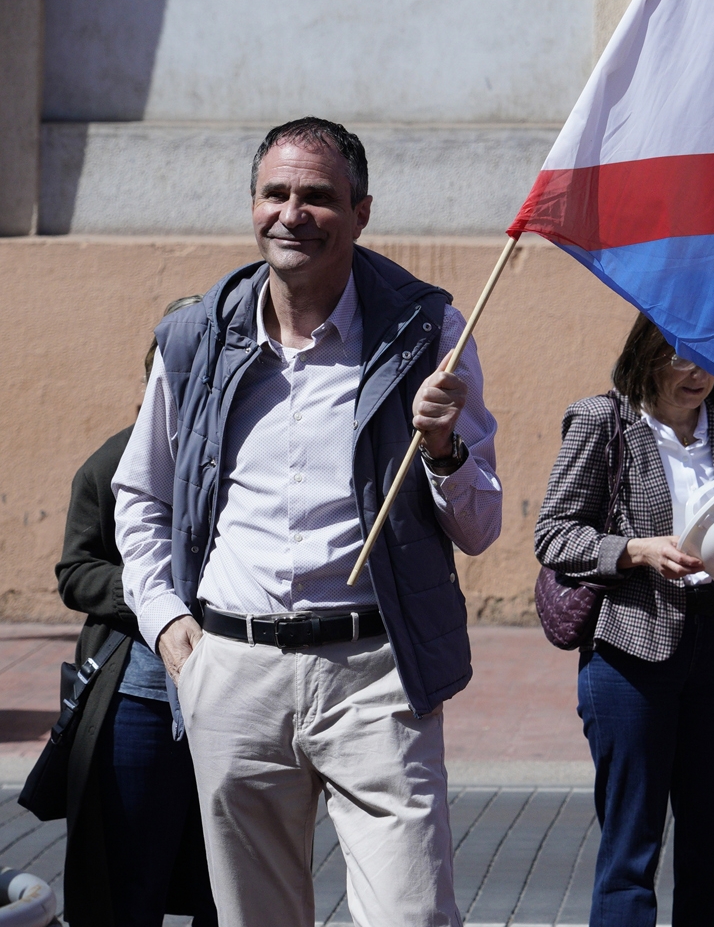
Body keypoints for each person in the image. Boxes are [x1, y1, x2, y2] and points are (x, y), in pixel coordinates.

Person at [112, 116, 502, 927]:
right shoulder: (195, 338)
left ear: (361, 212)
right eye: (275, 193)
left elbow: (480, 525)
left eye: (318, 197)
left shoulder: (426, 332)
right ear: (252, 205)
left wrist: (440, 447)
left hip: (374, 673)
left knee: (413, 916)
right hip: (232, 672)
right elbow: (140, 494)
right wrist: (168, 626)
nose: (292, 213)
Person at [534, 314, 714, 927]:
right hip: (630, 651)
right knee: (631, 850)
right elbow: (553, 535)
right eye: (679, 357)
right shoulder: (601, 419)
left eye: (709, 359)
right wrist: (636, 549)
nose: (696, 374)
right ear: (647, 351)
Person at [56, 295, 217, 927]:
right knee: (127, 880)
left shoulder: (248, 455)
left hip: (234, 696)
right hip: (139, 700)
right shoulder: (109, 463)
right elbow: (76, 571)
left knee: (227, 884)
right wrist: (157, 602)